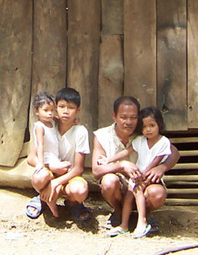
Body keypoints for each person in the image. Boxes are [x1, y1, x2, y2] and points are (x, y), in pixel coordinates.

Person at [92, 96, 179, 230]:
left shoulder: (144, 133)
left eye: (133, 117)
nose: (129, 122)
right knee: (109, 182)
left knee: (158, 193)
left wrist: (162, 167)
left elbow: (174, 153)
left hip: (143, 182)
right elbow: (96, 171)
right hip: (120, 185)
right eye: (123, 117)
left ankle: (144, 214)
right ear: (114, 116)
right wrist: (121, 165)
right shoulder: (103, 135)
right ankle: (119, 212)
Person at [109, 107, 171, 238]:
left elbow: (156, 161)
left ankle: (142, 222)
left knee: (137, 190)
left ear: (159, 124)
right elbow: (127, 151)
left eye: (152, 125)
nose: (148, 129)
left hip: (151, 176)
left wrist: (142, 177)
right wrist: (109, 159)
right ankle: (124, 225)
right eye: (144, 127)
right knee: (129, 196)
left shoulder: (164, 142)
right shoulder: (140, 140)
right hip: (137, 175)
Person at [33, 87, 91, 222]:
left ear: (78, 110)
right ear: (55, 109)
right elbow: (32, 158)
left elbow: (78, 168)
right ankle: (42, 199)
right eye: (61, 106)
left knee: (80, 191)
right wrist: (52, 167)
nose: (65, 111)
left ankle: (72, 203)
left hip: (70, 176)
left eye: (71, 107)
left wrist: (55, 183)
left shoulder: (80, 131)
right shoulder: (47, 127)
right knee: (39, 177)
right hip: (50, 174)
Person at [25, 91, 71, 219]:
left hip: (55, 158)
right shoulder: (39, 126)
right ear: (36, 111)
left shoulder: (52, 123)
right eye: (45, 110)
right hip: (46, 158)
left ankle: (48, 198)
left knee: (66, 168)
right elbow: (40, 145)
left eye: (52, 110)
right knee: (47, 175)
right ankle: (47, 199)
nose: (49, 113)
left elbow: (59, 119)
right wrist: (40, 163)